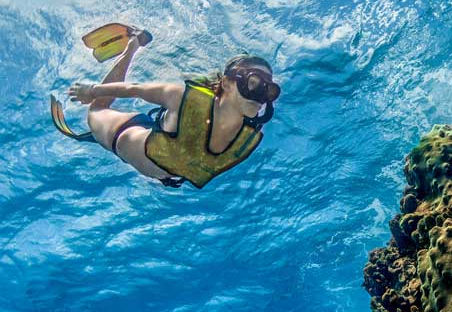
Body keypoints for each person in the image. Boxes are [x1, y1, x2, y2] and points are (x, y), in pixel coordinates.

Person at [50, 23, 280, 189]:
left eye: (269, 89)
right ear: (227, 83)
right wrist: (92, 91)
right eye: (254, 83)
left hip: (161, 153)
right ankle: (133, 43)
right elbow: (135, 88)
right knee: (97, 110)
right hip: (125, 134)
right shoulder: (183, 98)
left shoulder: (248, 136)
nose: (260, 95)